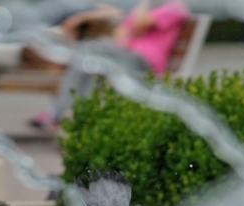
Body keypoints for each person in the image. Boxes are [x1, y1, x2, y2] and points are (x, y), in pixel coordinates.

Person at [31, 0, 189, 130]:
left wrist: (144, 5)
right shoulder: (152, 7)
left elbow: (140, 24)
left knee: (91, 51)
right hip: (124, 55)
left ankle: (68, 116)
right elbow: (120, 33)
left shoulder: (175, 7)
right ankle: (69, 115)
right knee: (87, 58)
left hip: (144, 61)